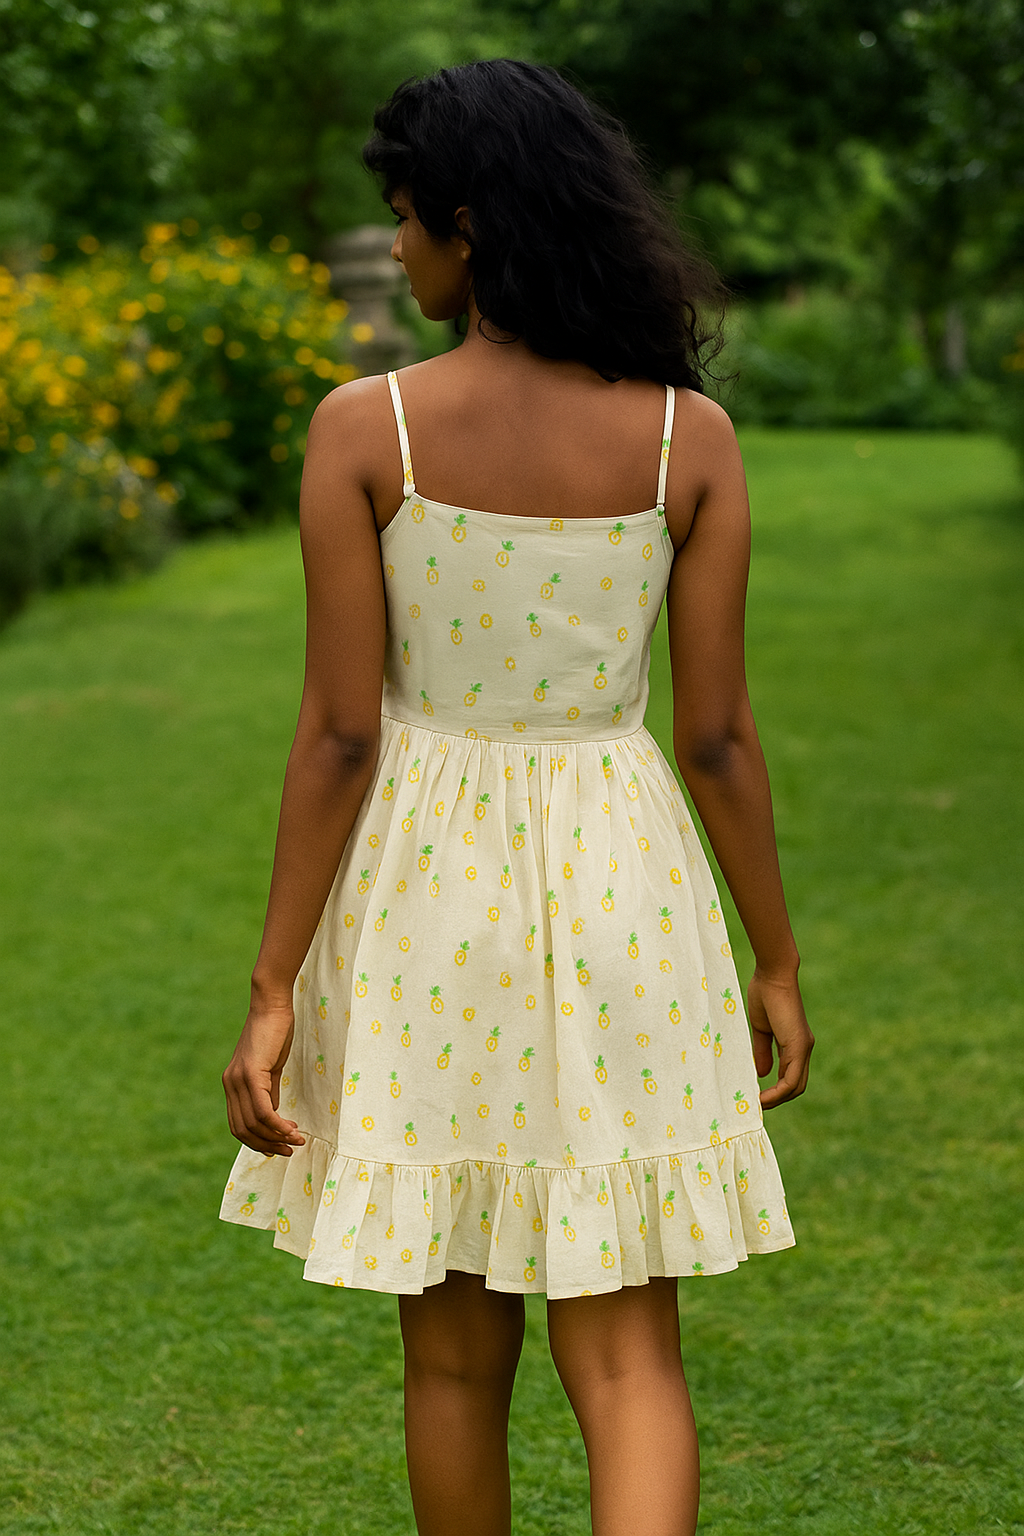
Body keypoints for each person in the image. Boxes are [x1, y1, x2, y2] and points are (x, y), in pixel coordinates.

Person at [220, 58, 814, 1536]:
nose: (397, 244)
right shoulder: (688, 438)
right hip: (628, 890)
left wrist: (274, 984)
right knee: (628, 1358)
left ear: (468, 226)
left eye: (404, 215)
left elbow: (340, 736)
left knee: (452, 1359)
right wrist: (777, 959)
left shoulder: (366, 428)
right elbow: (718, 739)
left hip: (428, 903)